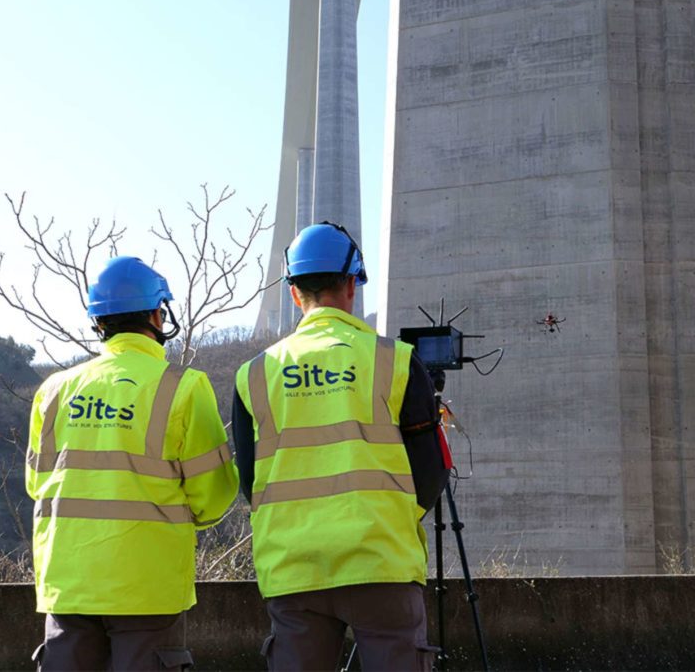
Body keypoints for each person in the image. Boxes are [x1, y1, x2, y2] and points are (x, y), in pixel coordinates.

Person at [232, 221, 450, 671]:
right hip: (381, 561)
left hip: (293, 568)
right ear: (352, 284)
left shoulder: (254, 373)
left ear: (294, 293)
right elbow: (430, 471)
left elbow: (249, 481)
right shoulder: (394, 360)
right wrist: (392, 519)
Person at [26, 256, 238, 671]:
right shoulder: (183, 387)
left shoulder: (54, 390)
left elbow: (37, 485)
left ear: (98, 321)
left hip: (68, 585)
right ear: (158, 314)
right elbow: (212, 496)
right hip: (148, 587)